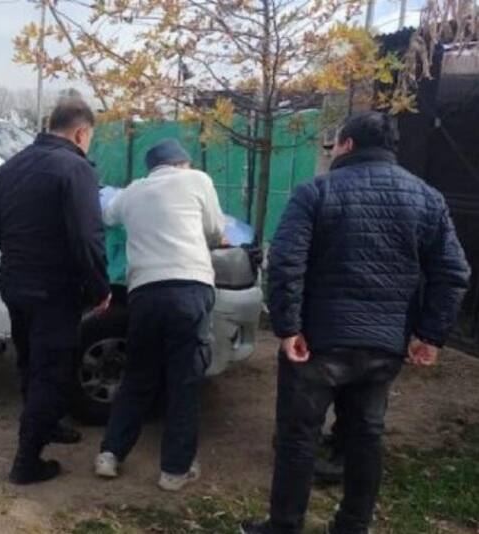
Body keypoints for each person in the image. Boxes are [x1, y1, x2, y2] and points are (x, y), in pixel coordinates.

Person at [241, 112, 471, 534]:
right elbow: (453, 272)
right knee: (366, 435)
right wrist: (430, 335)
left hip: (316, 344)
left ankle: (284, 526)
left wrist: (288, 328)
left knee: (298, 437)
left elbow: (286, 262)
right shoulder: (427, 198)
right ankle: (352, 525)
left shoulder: (315, 192)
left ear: (347, 144)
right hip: (383, 346)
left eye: (334, 145)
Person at [0, 96, 111, 485]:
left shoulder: (13, 165)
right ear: (81, 132)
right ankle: (27, 462)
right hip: (53, 290)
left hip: (14, 282)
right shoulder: (75, 168)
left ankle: (47, 424)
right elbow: (87, 237)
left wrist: (17, 250)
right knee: (50, 372)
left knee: (30, 363)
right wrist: (100, 286)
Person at [93, 139, 226, 491]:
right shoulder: (198, 180)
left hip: (145, 292)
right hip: (190, 288)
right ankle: (174, 471)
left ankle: (110, 454)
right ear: (182, 163)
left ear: (152, 167)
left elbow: (107, 216)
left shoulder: (133, 191)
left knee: (138, 376)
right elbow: (214, 230)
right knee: (183, 381)